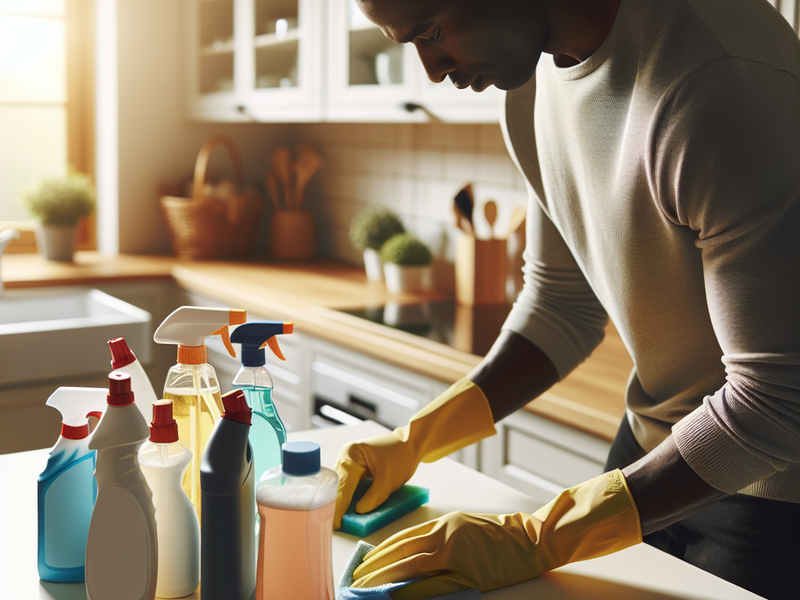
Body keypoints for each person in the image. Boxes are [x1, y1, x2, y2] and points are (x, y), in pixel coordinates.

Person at [334, 1, 800, 599]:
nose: (430, 69)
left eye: (431, 31)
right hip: (652, 449)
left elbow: (780, 399)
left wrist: (536, 537)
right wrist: (416, 439)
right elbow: (561, 305)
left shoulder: (721, 83)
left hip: (772, 495)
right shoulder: (527, 82)